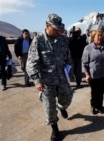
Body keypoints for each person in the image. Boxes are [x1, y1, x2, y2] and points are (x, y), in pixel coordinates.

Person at [26, 13, 73, 141]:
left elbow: (68, 57)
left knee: (68, 97)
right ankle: (55, 129)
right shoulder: (38, 40)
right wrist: (37, 81)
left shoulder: (63, 39)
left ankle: (62, 107)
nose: (58, 31)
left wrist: (70, 71)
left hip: (62, 77)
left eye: (59, 28)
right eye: (55, 28)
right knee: (49, 107)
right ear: (47, 26)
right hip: (46, 80)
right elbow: (31, 63)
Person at [82, 29, 104, 115]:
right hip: (93, 75)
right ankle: (93, 106)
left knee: (101, 92)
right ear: (93, 37)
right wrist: (87, 74)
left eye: (101, 36)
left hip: (103, 74)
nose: (100, 37)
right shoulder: (88, 48)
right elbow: (84, 63)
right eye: (98, 36)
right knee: (94, 93)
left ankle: (100, 106)